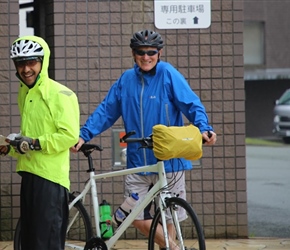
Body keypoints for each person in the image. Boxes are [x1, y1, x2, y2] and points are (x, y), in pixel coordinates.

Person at [71, 29, 217, 248]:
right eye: (141, 52)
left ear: (159, 53)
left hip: (170, 159)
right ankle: (175, 248)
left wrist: (204, 128)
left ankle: (169, 247)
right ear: (133, 53)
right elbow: (106, 111)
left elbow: (191, 103)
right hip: (138, 160)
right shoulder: (126, 80)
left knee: (170, 218)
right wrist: (84, 134)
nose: (146, 57)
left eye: (151, 52)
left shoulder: (167, 73)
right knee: (137, 218)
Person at [0, 36, 80, 250]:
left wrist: (34, 143)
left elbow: (69, 135)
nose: (26, 69)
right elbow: (29, 140)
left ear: (43, 62)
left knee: (47, 244)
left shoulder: (60, 94)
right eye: (20, 63)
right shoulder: (25, 93)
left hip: (51, 181)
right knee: (31, 243)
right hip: (29, 175)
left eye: (31, 62)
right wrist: (10, 148)